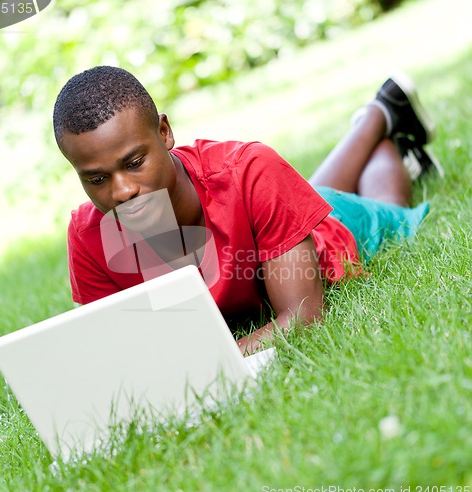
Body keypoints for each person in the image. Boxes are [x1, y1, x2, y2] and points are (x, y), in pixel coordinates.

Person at [52, 66, 441, 355]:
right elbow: (124, 353)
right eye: (97, 180)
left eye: (135, 162)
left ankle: (384, 122)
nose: (122, 191)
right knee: (312, 188)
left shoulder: (249, 170)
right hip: (279, 210)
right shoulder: (88, 237)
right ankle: (382, 111)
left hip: (329, 235)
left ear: (165, 133)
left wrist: (219, 362)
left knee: (384, 207)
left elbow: (304, 314)